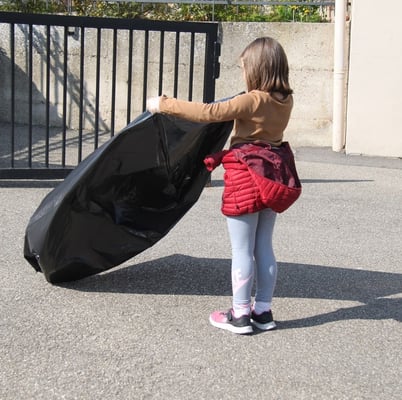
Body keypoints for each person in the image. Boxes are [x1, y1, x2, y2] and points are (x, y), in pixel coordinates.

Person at [147, 37, 298, 334]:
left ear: (257, 69)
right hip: (271, 177)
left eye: (244, 68)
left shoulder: (252, 100)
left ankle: (240, 314)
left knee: (241, 249)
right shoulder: (286, 100)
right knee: (263, 247)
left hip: (245, 177)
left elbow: (209, 112)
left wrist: (164, 104)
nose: (243, 73)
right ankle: (263, 311)